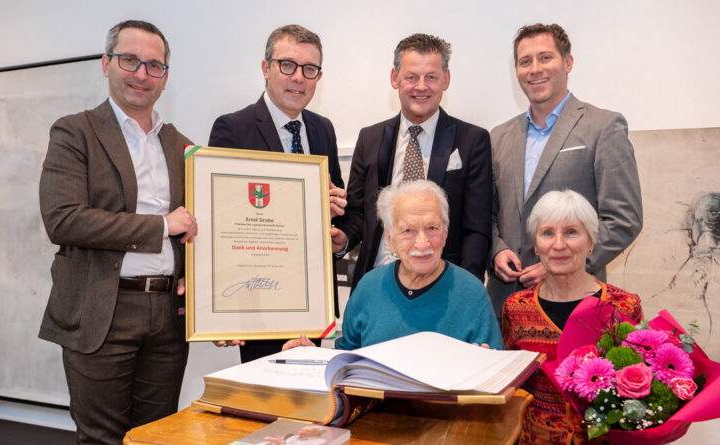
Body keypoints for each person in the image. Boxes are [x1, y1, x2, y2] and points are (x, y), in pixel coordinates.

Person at [38, 20, 197, 444]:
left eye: (154, 65)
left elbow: (203, 229)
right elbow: (64, 219)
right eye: (130, 60)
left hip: (167, 316)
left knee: (156, 437)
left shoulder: (184, 146)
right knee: (102, 438)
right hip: (101, 311)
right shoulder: (75, 132)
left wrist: (201, 281)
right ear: (106, 63)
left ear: (165, 77)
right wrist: (163, 225)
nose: (142, 74)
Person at [208, 24, 346, 362]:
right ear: (266, 68)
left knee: (309, 403)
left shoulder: (322, 128)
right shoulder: (233, 128)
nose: (298, 77)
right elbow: (223, 219)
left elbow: (341, 204)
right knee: (265, 407)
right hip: (258, 299)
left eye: (309, 69)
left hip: (312, 296)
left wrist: (341, 236)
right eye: (287, 65)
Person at [488, 23, 642, 325]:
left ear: (568, 62)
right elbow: (486, 213)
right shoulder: (498, 136)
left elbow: (624, 219)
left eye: (545, 58)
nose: (535, 69)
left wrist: (560, 262)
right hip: (505, 303)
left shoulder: (603, 127)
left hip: (575, 305)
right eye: (525, 61)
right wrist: (496, 250)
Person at [335, 33, 492, 290]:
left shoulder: (472, 140)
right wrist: (343, 239)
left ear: (446, 80)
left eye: (431, 76)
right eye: (411, 77)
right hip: (377, 285)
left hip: (442, 288)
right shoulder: (370, 138)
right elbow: (358, 214)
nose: (421, 86)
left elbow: (476, 229)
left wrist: (465, 292)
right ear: (394, 78)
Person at [286, 180, 502, 351]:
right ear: (389, 238)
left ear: (445, 234)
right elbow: (345, 363)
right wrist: (309, 358)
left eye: (432, 228)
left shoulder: (471, 293)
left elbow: (493, 374)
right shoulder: (368, 287)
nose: (422, 243)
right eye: (408, 231)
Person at [501, 190, 642, 445]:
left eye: (571, 232)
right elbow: (510, 386)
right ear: (536, 244)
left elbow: (639, 386)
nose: (558, 244)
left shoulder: (624, 307)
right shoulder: (516, 308)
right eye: (547, 233)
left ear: (591, 242)